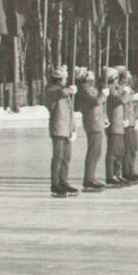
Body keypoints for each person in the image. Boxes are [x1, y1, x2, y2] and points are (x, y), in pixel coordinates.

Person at [43, 65, 78, 196]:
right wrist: (70, 90)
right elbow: (60, 93)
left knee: (66, 157)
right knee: (58, 157)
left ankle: (63, 181)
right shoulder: (51, 90)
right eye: (65, 79)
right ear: (59, 79)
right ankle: (55, 183)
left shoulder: (63, 90)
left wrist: (73, 128)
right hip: (58, 128)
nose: (66, 81)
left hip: (66, 128)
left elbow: (70, 111)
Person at [78, 68, 110, 190]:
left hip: (97, 121)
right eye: (91, 76)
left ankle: (91, 178)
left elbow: (100, 105)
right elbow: (96, 101)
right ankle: (88, 179)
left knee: (97, 152)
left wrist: (104, 117)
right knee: (93, 152)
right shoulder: (85, 89)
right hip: (92, 122)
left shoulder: (91, 88)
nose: (93, 77)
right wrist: (103, 95)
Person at [104, 67, 128, 187]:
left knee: (120, 151)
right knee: (113, 151)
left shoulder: (116, 89)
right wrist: (125, 92)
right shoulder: (110, 91)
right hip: (113, 124)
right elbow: (121, 100)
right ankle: (110, 175)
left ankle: (117, 174)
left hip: (119, 124)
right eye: (116, 79)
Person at [120, 67, 138, 183]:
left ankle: (132, 170)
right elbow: (123, 103)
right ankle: (126, 171)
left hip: (132, 121)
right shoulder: (123, 90)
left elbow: (134, 106)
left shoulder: (129, 90)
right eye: (125, 78)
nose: (128, 80)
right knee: (127, 148)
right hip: (127, 122)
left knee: (133, 147)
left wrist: (137, 117)